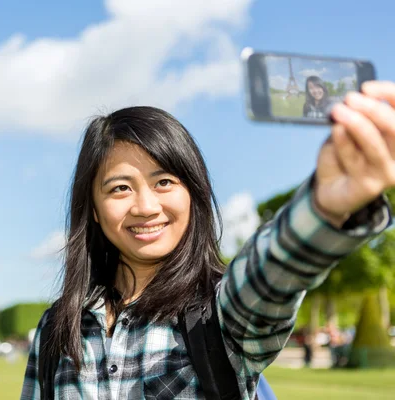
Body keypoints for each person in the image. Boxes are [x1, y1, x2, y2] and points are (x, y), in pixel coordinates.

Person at [21, 81, 395, 399]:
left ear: (193, 194)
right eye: (120, 188)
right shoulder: (56, 329)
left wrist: (323, 209)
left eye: (164, 182)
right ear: (96, 209)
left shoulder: (219, 313)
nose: (146, 206)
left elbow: (272, 275)